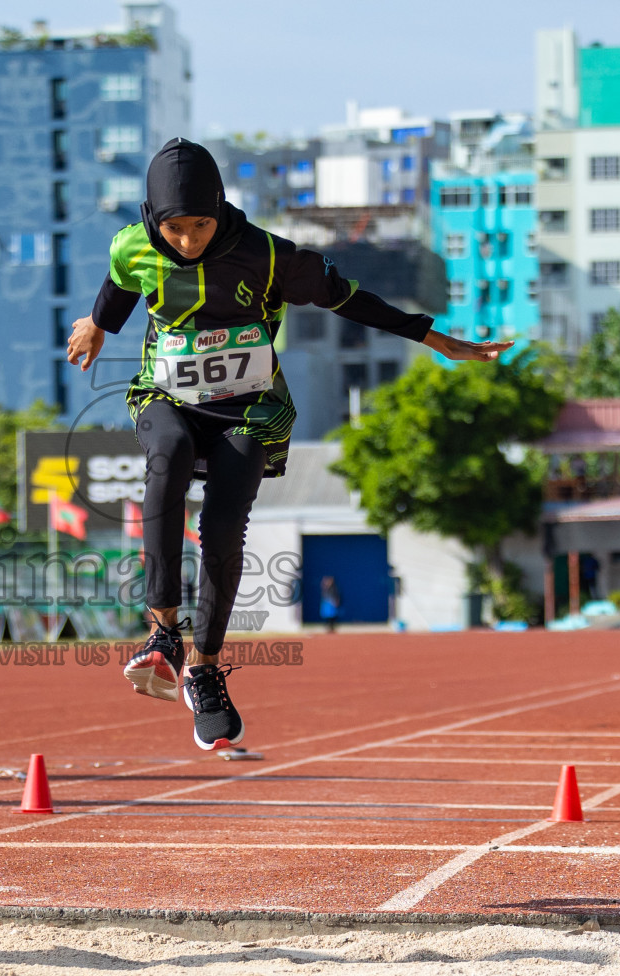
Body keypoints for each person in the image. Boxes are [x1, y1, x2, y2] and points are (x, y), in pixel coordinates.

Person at [69, 138, 510, 750]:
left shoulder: (266, 255)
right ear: (152, 219)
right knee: (164, 464)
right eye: (175, 230)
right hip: (166, 395)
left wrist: (432, 337)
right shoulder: (132, 245)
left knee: (223, 528)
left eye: (200, 226)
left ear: (220, 208)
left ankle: (203, 670)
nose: (189, 242)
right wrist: (97, 322)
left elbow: (348, 297)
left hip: (248, 407)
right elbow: (120, 284)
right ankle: (162, 633)